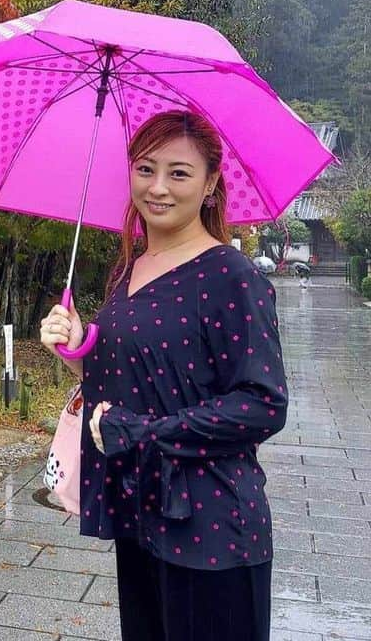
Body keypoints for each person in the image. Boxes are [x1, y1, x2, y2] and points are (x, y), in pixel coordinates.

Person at [39, 110, 287, 641]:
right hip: (141, 509)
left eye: (179, 173)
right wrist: (76, 349)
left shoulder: (230, 276)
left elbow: (263, 404)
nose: (157, 188)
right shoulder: (132, 268)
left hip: (212, 526)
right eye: (145, 169)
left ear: (210, 184)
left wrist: (146, 433)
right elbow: (137, 379)